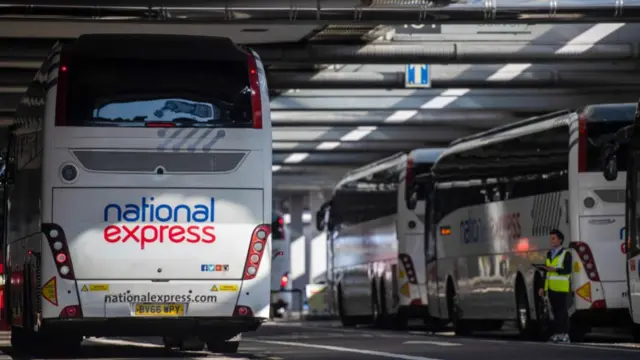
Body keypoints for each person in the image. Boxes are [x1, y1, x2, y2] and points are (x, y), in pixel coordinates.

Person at [537, 229, 573, 343]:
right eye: (551, 238)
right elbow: (546, 273)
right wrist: (542, 287)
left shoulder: (566, 253)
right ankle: (558, 333)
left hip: (561, 287)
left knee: (562, 312)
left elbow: (567, 269)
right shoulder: (549, 254)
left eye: (554, 238)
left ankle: (565, 334)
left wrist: (555, 269)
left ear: (560, 240)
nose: (551, 241)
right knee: (555, 312)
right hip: (551, 287)